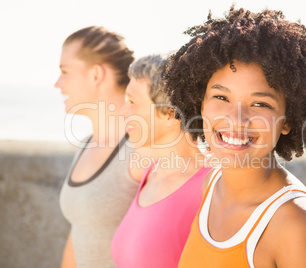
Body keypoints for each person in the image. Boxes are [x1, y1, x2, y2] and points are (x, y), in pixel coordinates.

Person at [164, 6, 306, 268]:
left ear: (288, 120)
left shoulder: (294, 222)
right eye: (221, 97)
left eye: (260, 104)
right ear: (200, 104)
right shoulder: (211, 184)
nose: (236, 119)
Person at [111, 55, 210, 268]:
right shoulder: (150, 174)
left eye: (132, 103)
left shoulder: (211, 184)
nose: (123, 112)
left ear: (171, 113)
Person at [55, 26, 138, 268]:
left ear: (95, 75)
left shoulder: (142, 148)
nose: (57, 83)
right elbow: (79, 231)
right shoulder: (86, 144)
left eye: (64, 71)